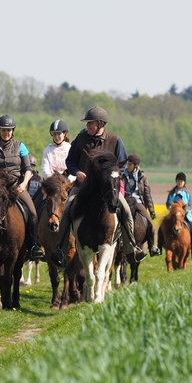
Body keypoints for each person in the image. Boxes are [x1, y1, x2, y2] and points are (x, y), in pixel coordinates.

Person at [51, 106, 147, 266]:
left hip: (107, 189)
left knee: (126, 210)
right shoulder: (80, 139)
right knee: (67, 208)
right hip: (83, 187)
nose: (87, 125)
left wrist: (110, 178)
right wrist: (77, 172)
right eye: (87, 123)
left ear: (101, 124)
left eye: (90, 123)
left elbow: (122, 164)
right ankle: (60, 248)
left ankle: (131, 249)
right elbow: (70, 161)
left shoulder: (115, 140)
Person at [0, 115, 44, 260]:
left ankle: (34, 246)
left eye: (9, 130)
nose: (6, 133)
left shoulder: (20, 146)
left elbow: (28, 168)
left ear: (12, 131)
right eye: (4, 130)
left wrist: (24, 183)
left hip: (15, 187)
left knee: (33, 213)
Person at [121, 154, 161, 257]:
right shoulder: (122, 175)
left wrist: (152, 211)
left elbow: (147, 195)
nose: (127, 166)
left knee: (150, 224)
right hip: (125, 201)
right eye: (127, 164)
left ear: (135, 165)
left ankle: (152, 247)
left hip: (138, 202)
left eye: (129, 164)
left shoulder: (142, 177)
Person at [163, 172, 192, 258]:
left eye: (182, 181)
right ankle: (159, 246)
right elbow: (168, 204)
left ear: (184, 182)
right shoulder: (172, 193)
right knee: (162, 228)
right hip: (173, 216)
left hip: (184, 216)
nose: (180, 182)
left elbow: (191, 205)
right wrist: (172, 210)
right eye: (178, 181)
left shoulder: (188, 193)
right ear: (176, 181)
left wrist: (184, 211)